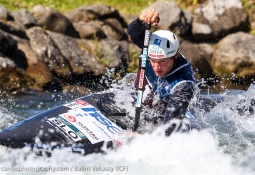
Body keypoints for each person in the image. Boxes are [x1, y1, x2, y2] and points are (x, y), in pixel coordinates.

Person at [127, 9, 196, 135]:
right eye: (153, 60)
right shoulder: (148, 46)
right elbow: (132, 31)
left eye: (163, 61)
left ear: (175, 56)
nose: (156, 67)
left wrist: (140, 140)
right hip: (136, 106)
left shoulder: (184, 83)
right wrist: (142, 19)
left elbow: (169, 129)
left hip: (160, 118)